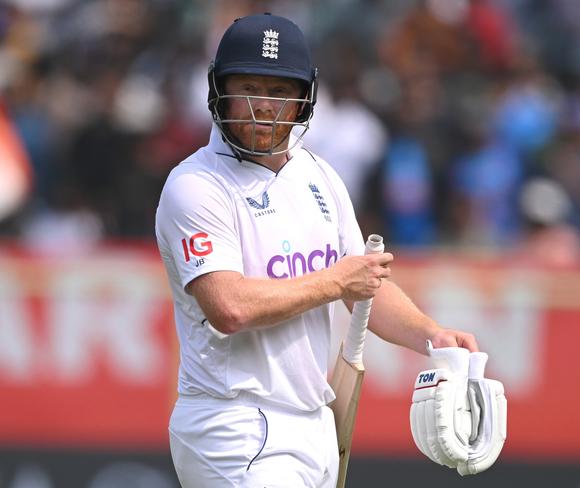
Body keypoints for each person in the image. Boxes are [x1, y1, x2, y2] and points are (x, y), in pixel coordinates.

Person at [155, 13, 478, 488]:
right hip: (234, 424)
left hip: (314, 420)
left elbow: (362, 286)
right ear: (217, 91)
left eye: (279, 91)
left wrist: (433, 337)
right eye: (247, 87)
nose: (262, 106)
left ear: (305, 98)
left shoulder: (318, 176)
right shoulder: (196, 186)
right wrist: (335, 281)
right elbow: (229, 307)